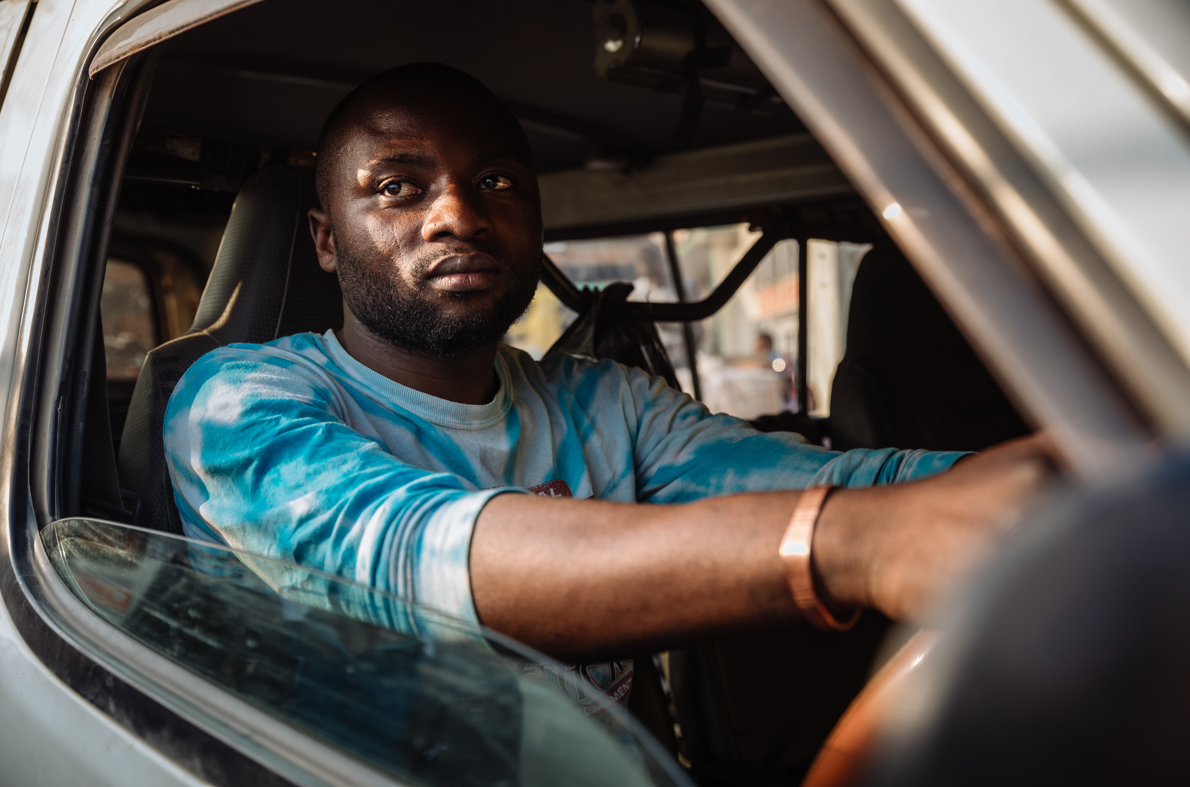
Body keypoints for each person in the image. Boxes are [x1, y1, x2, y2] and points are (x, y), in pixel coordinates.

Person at [163, 64, 1052, 715]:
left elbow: (832, 481)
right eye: (398, 186)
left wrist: (1063, 482)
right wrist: (846, 546)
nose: (458, 215)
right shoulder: (238, 404)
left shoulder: (603, 405)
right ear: (326, 240)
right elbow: (415, 556)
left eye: (497, 181)